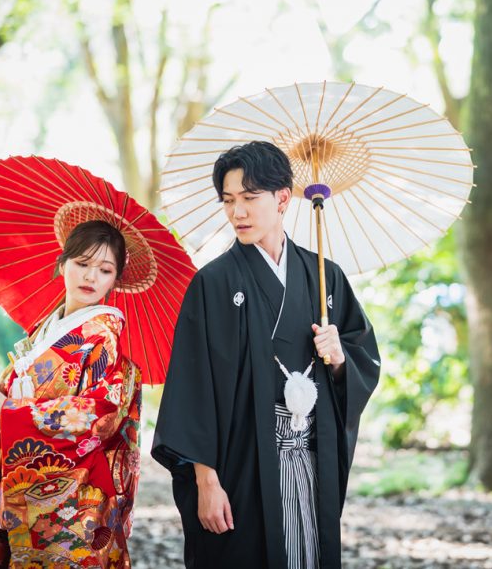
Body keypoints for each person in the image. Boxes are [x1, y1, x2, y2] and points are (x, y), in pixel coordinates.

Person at [152, 141, 381, 569]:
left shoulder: (326, 277)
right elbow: (193, 388)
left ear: (282, 198)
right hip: (240, 462)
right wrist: (206, 481)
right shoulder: (213, 283)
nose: (237, 212)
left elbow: (361, 360)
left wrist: (338, 359)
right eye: (228, 201)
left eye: (249, 198)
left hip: (311, 458)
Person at [0, 220, 143, 568]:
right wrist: (4, 390)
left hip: (75, 494)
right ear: (62, 263)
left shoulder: (102, 335)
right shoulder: (48, 326)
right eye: (82, 263)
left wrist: (11, 410)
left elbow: (97, 413)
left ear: (115, 279)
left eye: (105, 270)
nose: (91, 277)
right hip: (30, 479)